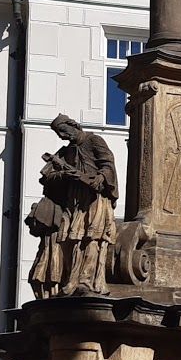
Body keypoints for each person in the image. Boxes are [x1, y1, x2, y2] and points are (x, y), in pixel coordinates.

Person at [27, 116, 118, 298]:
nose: (61, 135)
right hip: (74, 200)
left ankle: (87, 281)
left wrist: (100, 178)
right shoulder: (65, 152)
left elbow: (108, 164)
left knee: (91, 237)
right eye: (58, 132)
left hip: (94, 198)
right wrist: (65, 175)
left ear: (73, 125)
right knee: (69, 239)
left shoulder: (94, 140)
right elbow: (47, 178)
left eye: (63, 130)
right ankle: (72, 280)